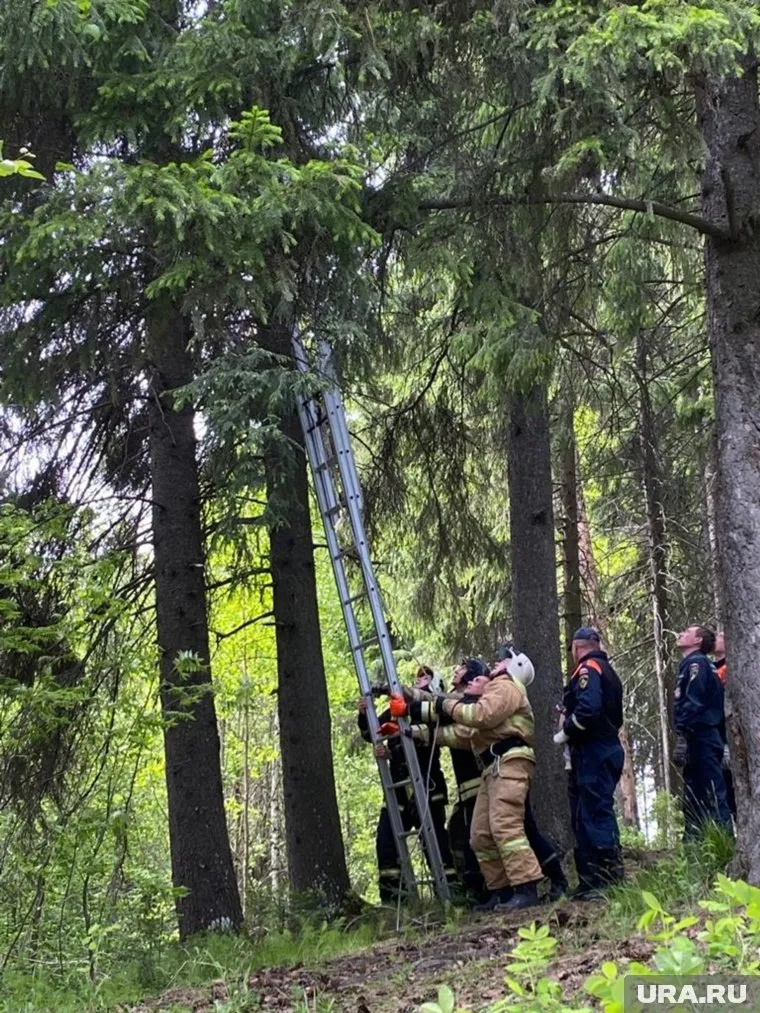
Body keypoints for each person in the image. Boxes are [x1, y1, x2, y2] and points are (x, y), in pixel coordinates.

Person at [396, 650, 543, 912]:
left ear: (514, 666)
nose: (496, 662)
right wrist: (413, 731)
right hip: (493, 768)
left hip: (509, 762)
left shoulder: (505, 686)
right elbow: (463, 734)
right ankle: (500, 891)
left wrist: (444, 706)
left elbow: (480, 715)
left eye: (504, 659)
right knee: (480, 835)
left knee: (505, 826)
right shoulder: (494, 692)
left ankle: (526, 887)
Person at [357, 665, 456, 903]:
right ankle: (393, 901)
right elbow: (371, 733)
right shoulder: (394, 709)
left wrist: (406, 727)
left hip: (426, 784)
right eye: (418, 676)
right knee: (386, 841)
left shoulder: (433, 707)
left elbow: (437, 728)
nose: (420, 679)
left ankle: (451, 895)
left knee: (434, 842)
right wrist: (364, 715)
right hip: (398, 786)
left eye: (426, 677)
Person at [554, 627, 624, 899]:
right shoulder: (605, 670)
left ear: (576, 647)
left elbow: (589, 707)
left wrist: (567, 730)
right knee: (585, 814)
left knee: (596, 813)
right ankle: (590, 880)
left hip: (595, 750)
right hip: (597, 749)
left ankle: (608, 879)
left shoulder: (589, 668)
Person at [673, 625, 733, 839]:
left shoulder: (697, 664)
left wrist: (683, 731)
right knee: (693, 795)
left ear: (698, 641)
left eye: (687, 632)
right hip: (695, 738)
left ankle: (722, 842)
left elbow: (694, 701)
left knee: (712, 792)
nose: (681, 634)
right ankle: (694, 846)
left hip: (703, 738)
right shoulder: (690, 664)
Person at [713, 631, 736, 818]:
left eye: (721, 636)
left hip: (729, 735)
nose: (715, 638)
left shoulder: (732, 669)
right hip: (717, 735)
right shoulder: (711, 668)